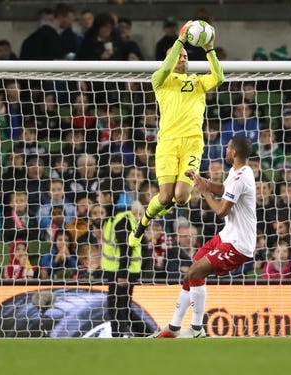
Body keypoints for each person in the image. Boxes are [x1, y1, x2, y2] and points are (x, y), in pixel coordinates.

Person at [129, 20, 223, 248]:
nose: (183, 58)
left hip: (192, 145)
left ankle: (178, 195)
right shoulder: (161, 81)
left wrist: (209, 49)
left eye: (185, 56)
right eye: (178, 55)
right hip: (168, 145)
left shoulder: (197, 82)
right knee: (163, 198)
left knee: (180, 198)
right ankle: (142, 224)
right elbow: (164, 67)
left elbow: (219, 77)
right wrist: (180, 40)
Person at [153, 135, 256, 339]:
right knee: (192, 270)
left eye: (227, 148)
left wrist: (204, 193)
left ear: (234, 152)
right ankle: (173, 327)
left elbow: (221, 211)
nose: (225, 151)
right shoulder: (240, 171)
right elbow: (223, 189)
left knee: (197, 273)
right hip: (226, 236)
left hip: (238, 244)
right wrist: (202, 181)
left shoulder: (241, 177)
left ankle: (197, 328)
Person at [101, 185, 144, 337]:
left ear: (108, 197)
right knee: (122, 307)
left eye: (101, 195)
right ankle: (145, 333)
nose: (98, 199)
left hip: (122, 272)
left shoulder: (122, 219)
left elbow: (126, 248)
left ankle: (120, 336)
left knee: (118, 307)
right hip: (118, 270)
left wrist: (122, 274)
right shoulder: (115, 218)